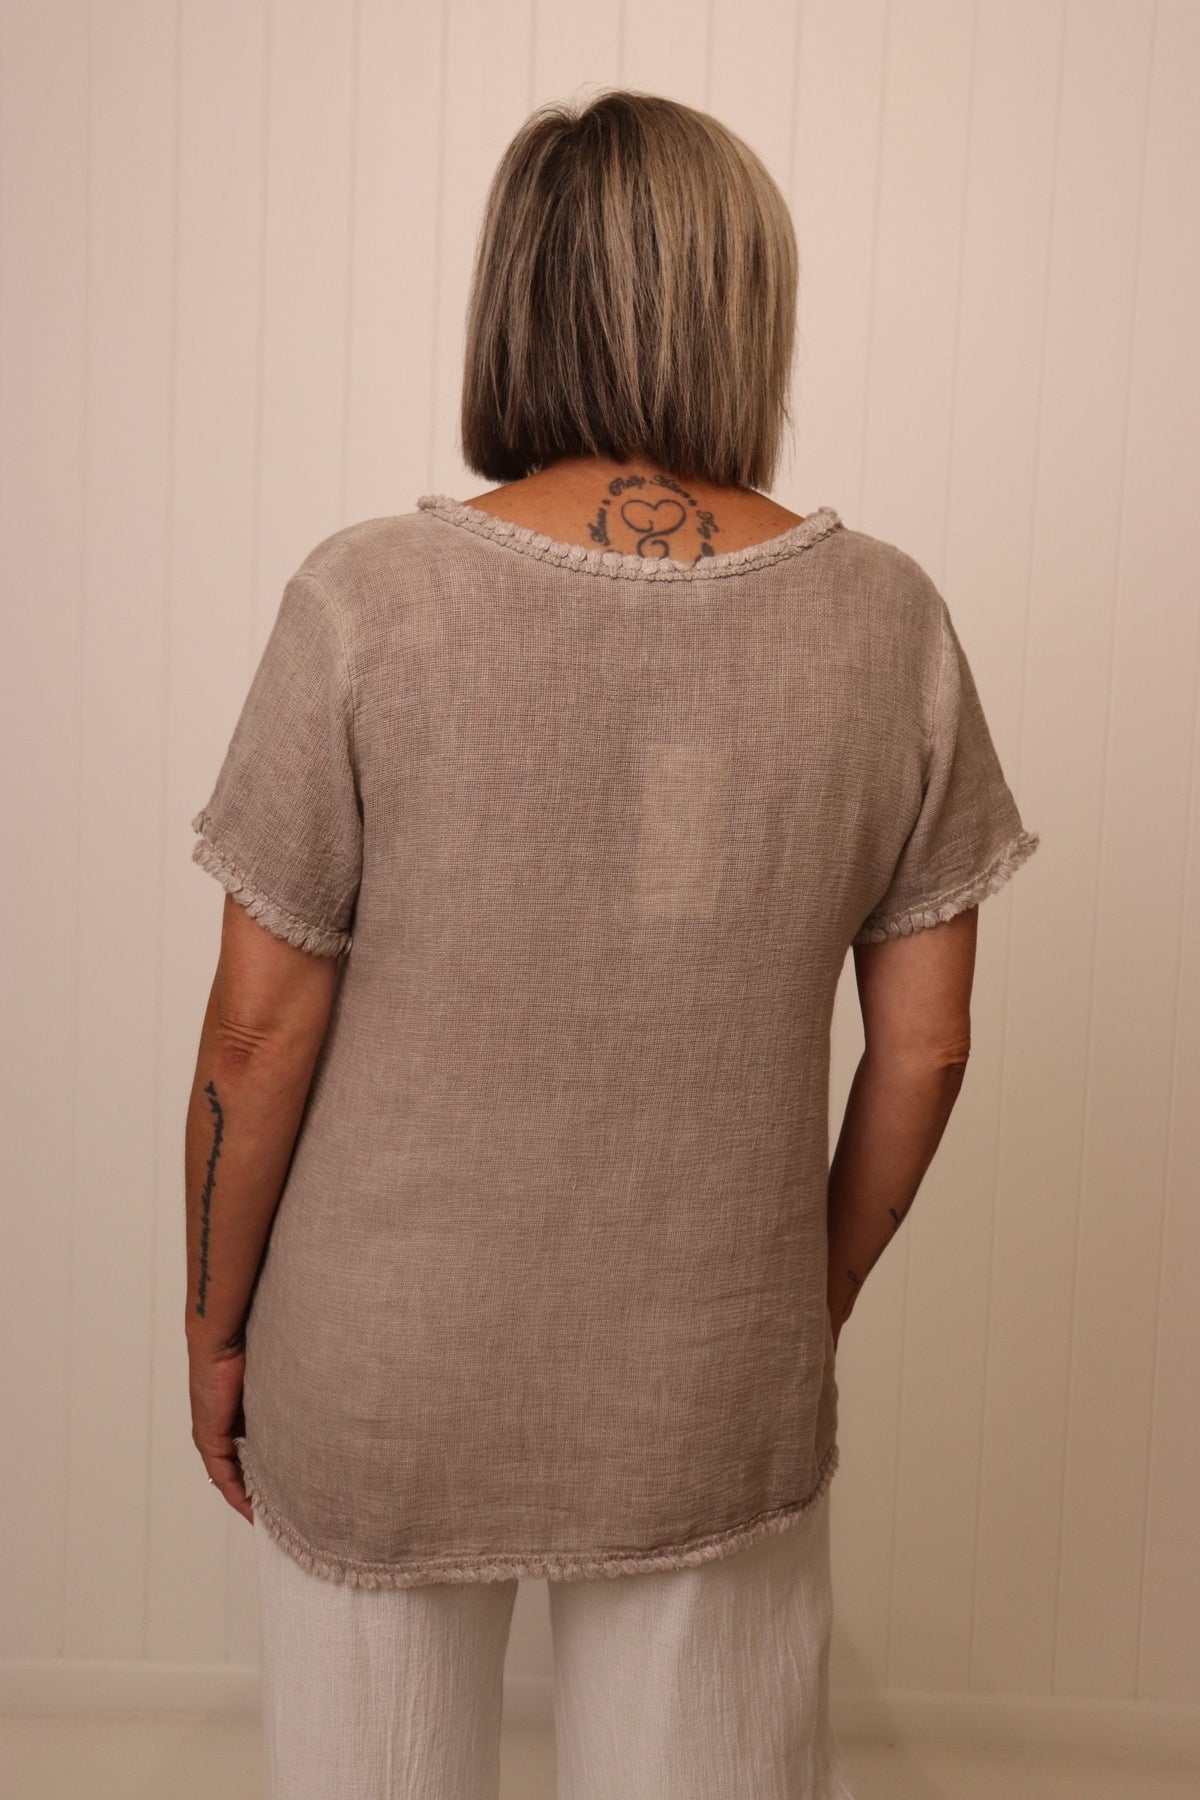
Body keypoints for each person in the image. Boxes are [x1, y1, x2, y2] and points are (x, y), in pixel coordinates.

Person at [183, 88, 1039, 1800]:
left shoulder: (366, 601)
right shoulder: (890, 623)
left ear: (516, 298)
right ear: (749, 307)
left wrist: (215, 1331)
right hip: (710, 1365)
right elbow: (927, 1045)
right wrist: (807, 1294)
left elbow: (257, 1040)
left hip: (381, 1361)